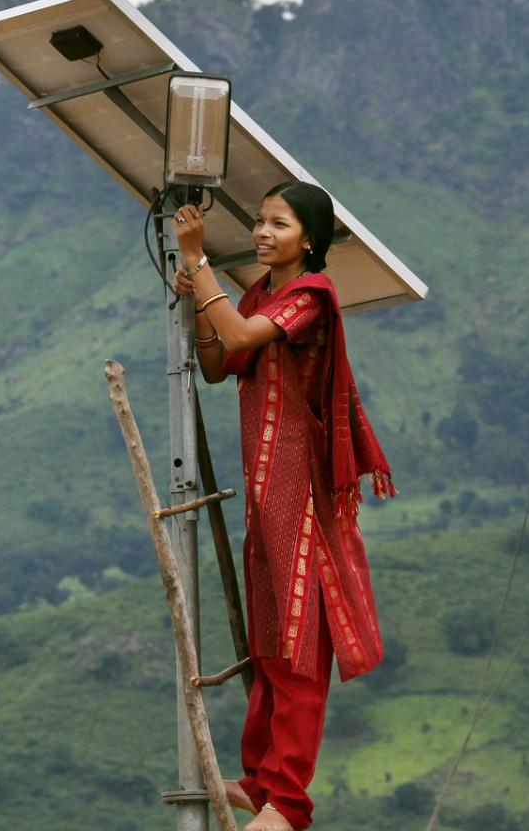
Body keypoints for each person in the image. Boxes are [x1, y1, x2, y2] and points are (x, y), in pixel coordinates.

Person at [171, 181, 395, 831]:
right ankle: (262, 779)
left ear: (310, 240)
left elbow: (239, 331)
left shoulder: (311, 297)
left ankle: (289, 805)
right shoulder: (260, 294)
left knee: (298, 649)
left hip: (304, 497)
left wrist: (198, 260)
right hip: (267, 494)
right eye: (262, 222)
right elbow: (220, 361)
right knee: (270, 643)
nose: (264, 233)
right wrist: (195, 309)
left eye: (279, 224)